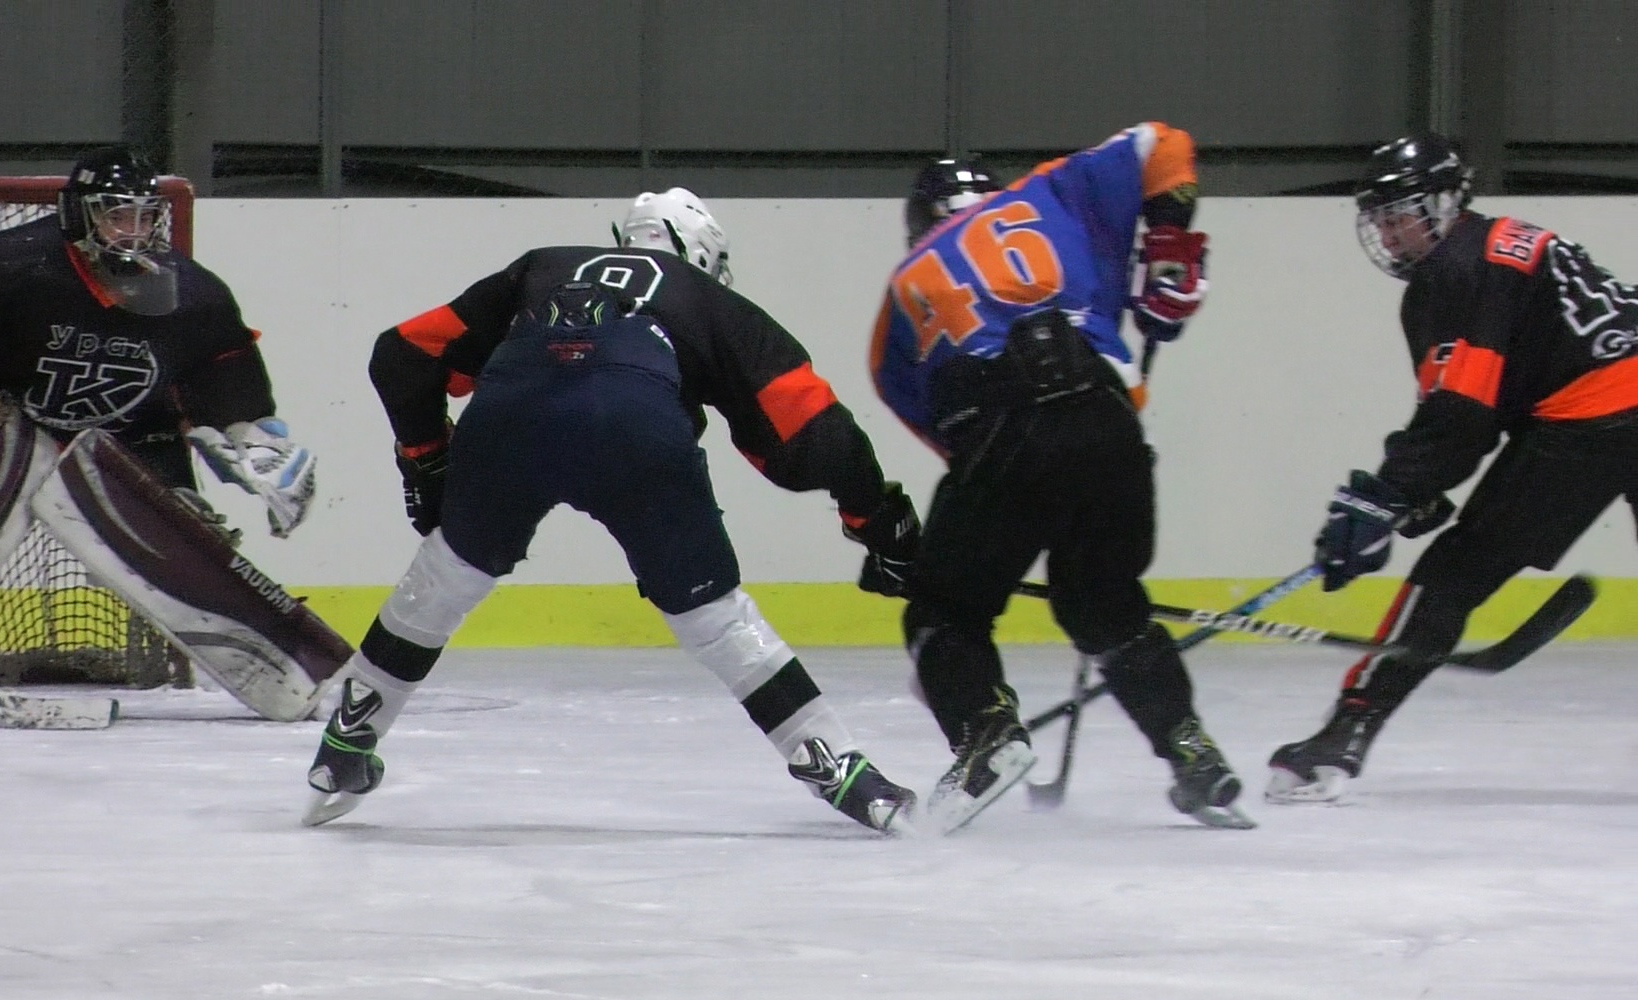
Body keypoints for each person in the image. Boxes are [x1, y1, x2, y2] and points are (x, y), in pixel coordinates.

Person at [302, 187, 925, 834]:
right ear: (702, 254)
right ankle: (845, 774)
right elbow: (819, 432)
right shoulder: (709, 299)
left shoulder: (541, 265)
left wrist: (427, 459)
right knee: (716, 620)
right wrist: (877, 522)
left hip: (507, 416)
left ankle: (344, 747)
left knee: (443, 579)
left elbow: (402, 353)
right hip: (634, 425)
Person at [0, 146, 343, 726]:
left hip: (131, 441)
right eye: (116, 215)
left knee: (188, 548)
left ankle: (296, 675)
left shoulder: (194, 294)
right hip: (13, 431)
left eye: (144, 216)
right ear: (79, 213)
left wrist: (254, 442)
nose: (133, 231)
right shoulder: (13, 263)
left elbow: (225, 374)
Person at [872, 124, 1253, 831]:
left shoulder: (903, 291)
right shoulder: (1052, 192)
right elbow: (1164, 144)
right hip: (1108, 423)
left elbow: (943, 431)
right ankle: (1191, 751)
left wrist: (976, 538)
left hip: (1001, 431)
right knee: (1105, 606)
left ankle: (987, 733)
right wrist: (1168, 248)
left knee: (942, 612)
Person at [1268, 133, 1635, 802]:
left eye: (1400, 214)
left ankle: (1348, 730)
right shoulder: (1500, 241)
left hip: (1596, 414)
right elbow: (1474, 410)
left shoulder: (1453, 274)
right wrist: (1419, 490)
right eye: (1379, 219)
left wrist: (1388, 496)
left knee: (1450, 575)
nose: (1388, 233)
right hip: (1610, 396)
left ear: (1442, 203)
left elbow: (1461, 418)